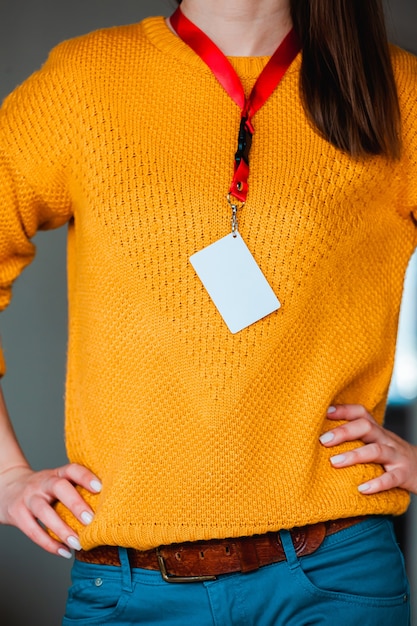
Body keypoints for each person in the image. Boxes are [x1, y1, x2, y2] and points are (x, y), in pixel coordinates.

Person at [0, 0, 416, 623]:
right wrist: (6, 473)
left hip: (334, 575)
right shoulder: (83, 81)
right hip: (130, 587)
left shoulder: (395, 92)